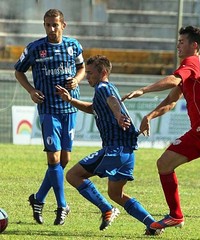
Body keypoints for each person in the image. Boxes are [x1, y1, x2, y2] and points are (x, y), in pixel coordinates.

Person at [122, 26, 200, 234]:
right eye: (178, 41)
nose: (178, 45)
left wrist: (144, 89)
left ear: (194, 46)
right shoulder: (190, 69)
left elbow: (173, 80)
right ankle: (175, 215)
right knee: (164, 164)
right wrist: (149, 116)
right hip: (197, 134)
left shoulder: (193, 62)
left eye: (182, 41)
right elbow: (171, 101)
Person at [55, 55, 160, 235]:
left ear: (103, 72)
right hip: (127, 152)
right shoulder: (107, 89)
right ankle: (152, 224)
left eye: (90, 73)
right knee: (116, 194)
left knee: (73, 175)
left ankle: (106, 209)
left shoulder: (103, 87)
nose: (87, 77)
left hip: (115, 149)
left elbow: (112, 101)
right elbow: (92, 108)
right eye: (86, 73)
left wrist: (119, 115)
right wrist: (70, 100)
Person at [14, 9, 85, 225]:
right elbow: (18, 71)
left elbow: (82, 67)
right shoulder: (35, 48)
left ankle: (38, 198)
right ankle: (63, 205)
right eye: (47, 25)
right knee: (53, 159)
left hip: (69, 108)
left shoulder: (74, 46)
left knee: (64, 160)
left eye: (55, 24)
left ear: (64, 25)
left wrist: (77, 79)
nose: (51, 29)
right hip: (48, 110)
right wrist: (31, 91)